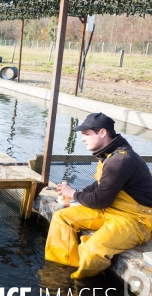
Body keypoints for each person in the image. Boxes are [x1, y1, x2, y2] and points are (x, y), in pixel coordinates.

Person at [45, 112, 152, 279]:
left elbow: (101, 200)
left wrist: (73, 193)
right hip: (112, 209)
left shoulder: (120, 161)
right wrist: (76, 195)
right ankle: (61, 271)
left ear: (103, 132)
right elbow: (101, 185)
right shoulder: (109, 154)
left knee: (93, 249)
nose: (82, 139)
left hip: (136, 219)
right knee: (62, 218)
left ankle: (80, 283)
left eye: (87, 134)